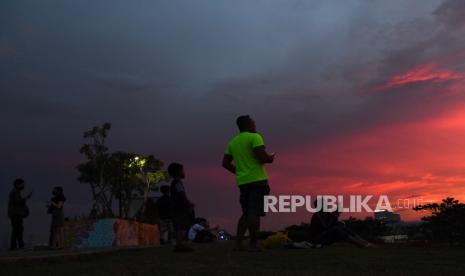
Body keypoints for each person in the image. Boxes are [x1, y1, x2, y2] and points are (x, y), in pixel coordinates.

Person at [222, 115, 275, 251]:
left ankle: (239, 244)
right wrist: (270, 158)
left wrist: (239, 172)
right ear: (248, 124)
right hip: (257, 180)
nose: (255, 125)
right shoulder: (255, 137)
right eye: (253, 122)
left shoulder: (232, 142)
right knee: (254, 213)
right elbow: (262, 157)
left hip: (243, 182)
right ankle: (253, 243)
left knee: (246, 213)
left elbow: (225, 163)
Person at [309, 200, 373, 248]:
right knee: (335, 229)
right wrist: (334, 216)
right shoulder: (317, 216)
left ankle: (365, 243)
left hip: (327, 235)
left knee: (343, 228)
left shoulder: (327, 214)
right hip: (318, 238)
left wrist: (338, 219)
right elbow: (326, 227)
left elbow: (334, 224)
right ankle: (360, 244)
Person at [168, 162, 195, 252]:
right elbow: (182, 195)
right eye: (183, 170)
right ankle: (179, 245)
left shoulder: (175, 183)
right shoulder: (177, 183)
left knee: (178, 226)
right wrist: (188, 204)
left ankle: (179, 244)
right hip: (179, 209)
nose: (184, 172)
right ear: (179, 172)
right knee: (179, 226)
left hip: (176, 208)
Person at [7, 178, 32, 251]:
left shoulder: (15, 192)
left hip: (15, 214)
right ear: (18, 185)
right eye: (22, 184)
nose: (23, 185)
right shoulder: (15, 192)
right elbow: (17, 202)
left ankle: (15, 246)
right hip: (16, 214)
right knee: (18, 229)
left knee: (17, 230)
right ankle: (19, 246)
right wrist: (26, 198)